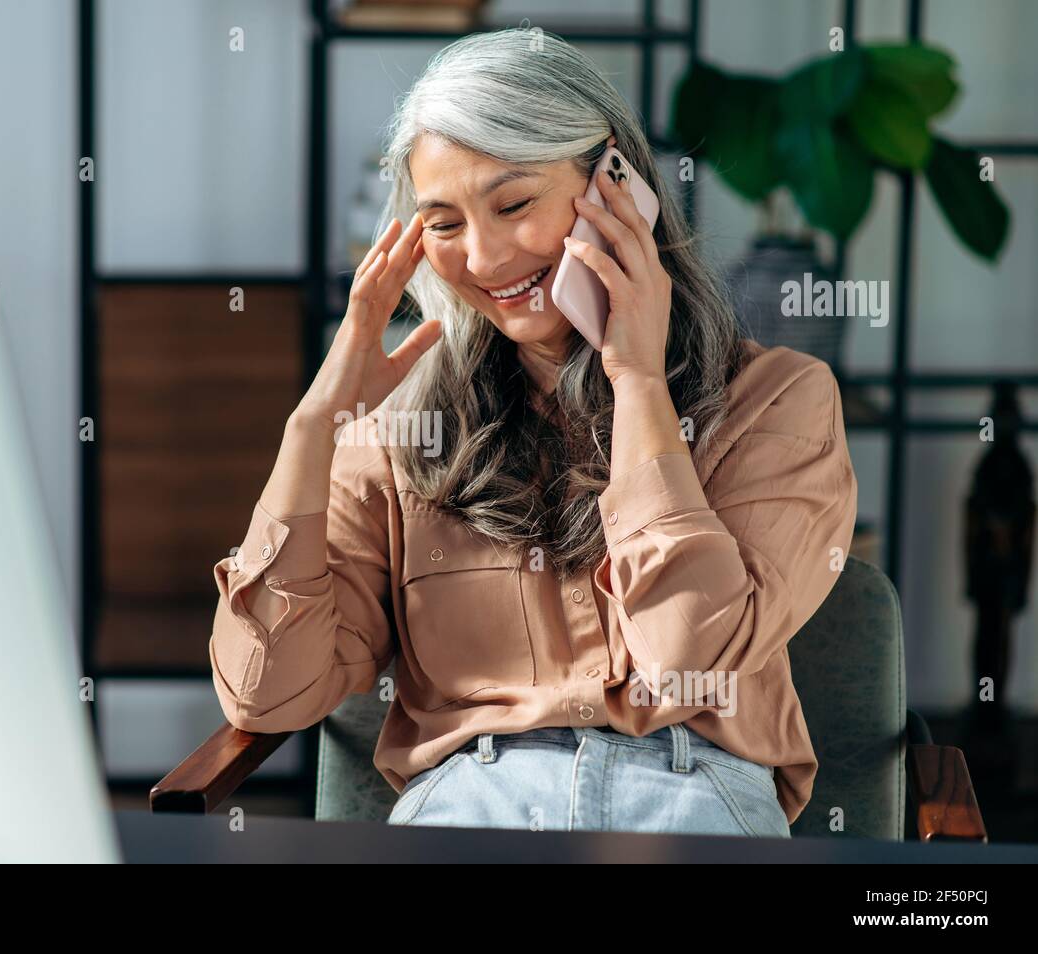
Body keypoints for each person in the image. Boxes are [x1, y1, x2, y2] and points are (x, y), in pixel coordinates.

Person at [208, 28, 858, 837]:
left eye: (514, 203)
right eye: (443, 224)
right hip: (469, 803)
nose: (483, 256)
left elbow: (690, 660)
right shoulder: (398, 435)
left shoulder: (779, 401)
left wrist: (639, 383)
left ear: (615, 183)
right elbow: (269, 693)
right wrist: (311, 430)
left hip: (695, 799)